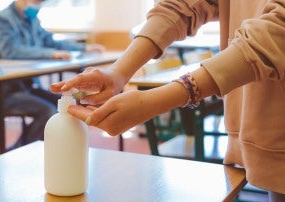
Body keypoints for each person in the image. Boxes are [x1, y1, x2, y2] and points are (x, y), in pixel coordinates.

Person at [51, 0, 285, 201]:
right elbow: (183, 5)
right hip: (261, 124)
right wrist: (118, 72)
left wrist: (158, 100)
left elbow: (277, 30)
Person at [0, 0, 105, 150]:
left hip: (27, 86)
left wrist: (84, 47)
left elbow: (51, 42)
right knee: (47, 112)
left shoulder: (32, 20)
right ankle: (17, 153)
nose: (38, 5)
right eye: (36, 1)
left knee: (65, 106)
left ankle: (48, 151)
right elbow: (10, 50)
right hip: (5, 91)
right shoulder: (4, 19)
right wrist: (52, 54)